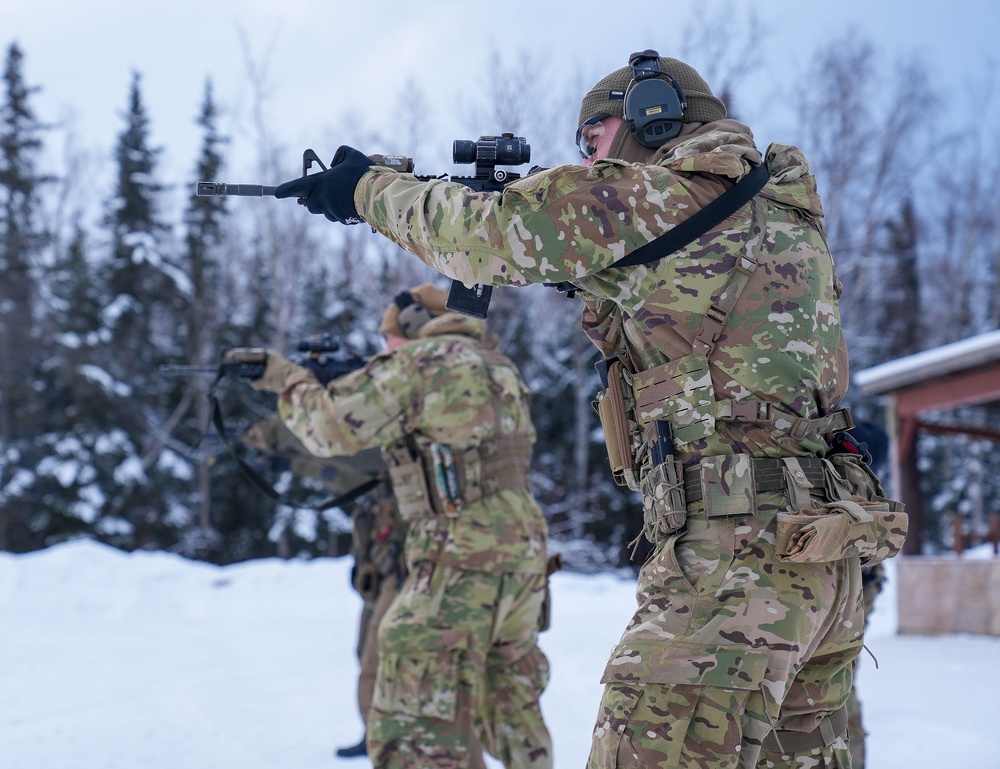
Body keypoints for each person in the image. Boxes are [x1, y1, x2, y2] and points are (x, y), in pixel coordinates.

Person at [271, 50, 908, 768]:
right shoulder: (775, 212)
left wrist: (366, 189)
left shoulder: (669, 194)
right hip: (823, 557)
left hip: (734, 561)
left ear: (650, 115)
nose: (589, 160)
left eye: (592, 141)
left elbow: (483, 236)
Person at [226, 283, 552, 769]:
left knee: (416, 713)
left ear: (415, 327)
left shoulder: (423, 362)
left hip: (458, 554)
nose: (385, 350)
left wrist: (286, 379)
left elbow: (330, 428)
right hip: (523, 558)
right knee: (507, 692)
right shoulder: (499, 367)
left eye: (389, 340)